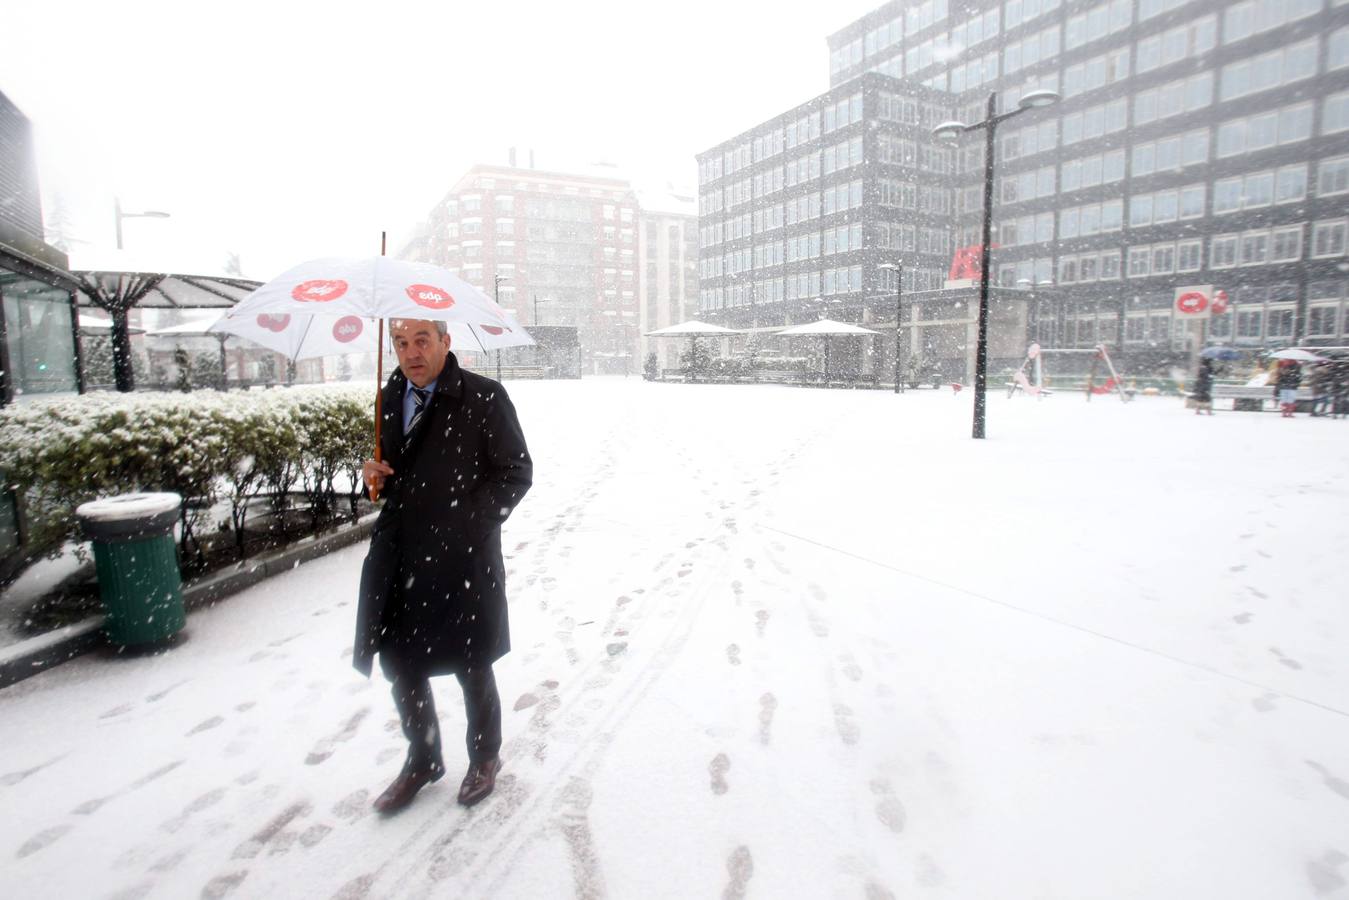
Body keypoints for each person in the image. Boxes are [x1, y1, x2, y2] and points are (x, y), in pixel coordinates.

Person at [354, 318, 532, 815]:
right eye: (401, 342)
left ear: (445, 343)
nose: (410, 353)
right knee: (401, 665)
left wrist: (465, 524)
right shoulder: (388, 398)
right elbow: (390, 478)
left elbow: (516, 472)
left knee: (472, 664)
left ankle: (484, 757)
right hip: (401, 558)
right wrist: (372, 475)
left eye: (421, 341)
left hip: (463, 559)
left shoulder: (484, 398)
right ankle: (423, 758)